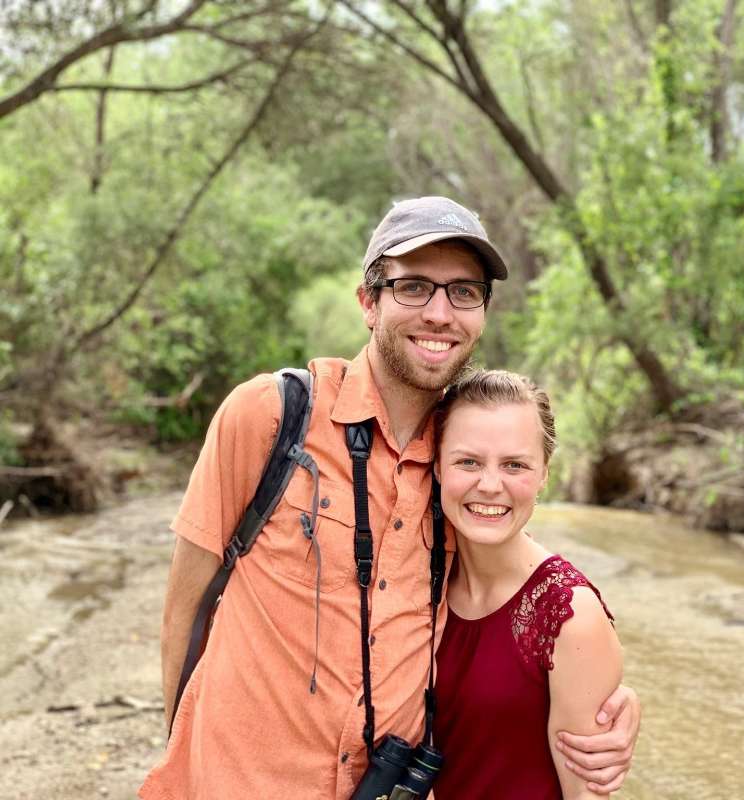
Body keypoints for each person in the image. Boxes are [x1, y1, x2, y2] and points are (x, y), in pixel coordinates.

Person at [139, 196, 639, 800]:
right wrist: (180, 751)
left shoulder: (461, 463)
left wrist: (599, 695)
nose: (439, 313)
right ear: (369, 302)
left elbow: (514, 582)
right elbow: (184, 608)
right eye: (414, 287)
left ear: (482, 312)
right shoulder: (270, 415)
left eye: (463, 292)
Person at [432, 369, 624, 799]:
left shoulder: (571, 617)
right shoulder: (412, 577)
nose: (490, 485)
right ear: (438, 466)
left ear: (544, 476)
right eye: (468, 461)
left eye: (514, 465)